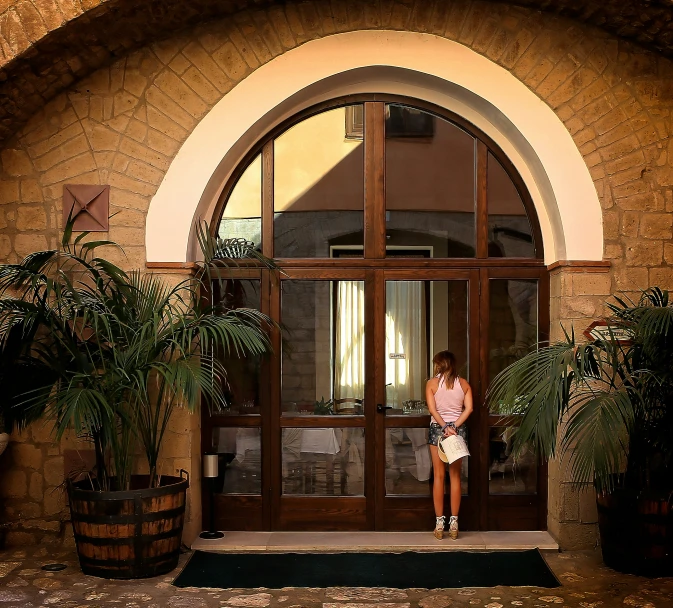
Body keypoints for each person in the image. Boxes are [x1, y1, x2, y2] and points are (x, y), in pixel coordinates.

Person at [426, 350, 473, 540]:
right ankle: (454, 523)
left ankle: (439, 523)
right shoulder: (464, 384)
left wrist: (444, 426)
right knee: (455, 476)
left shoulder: (432, 384)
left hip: (438, 429)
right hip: (458, 430)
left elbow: (432, 409)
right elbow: (469, 408)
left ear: (438, 364)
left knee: (438, 476)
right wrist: (454, 426)